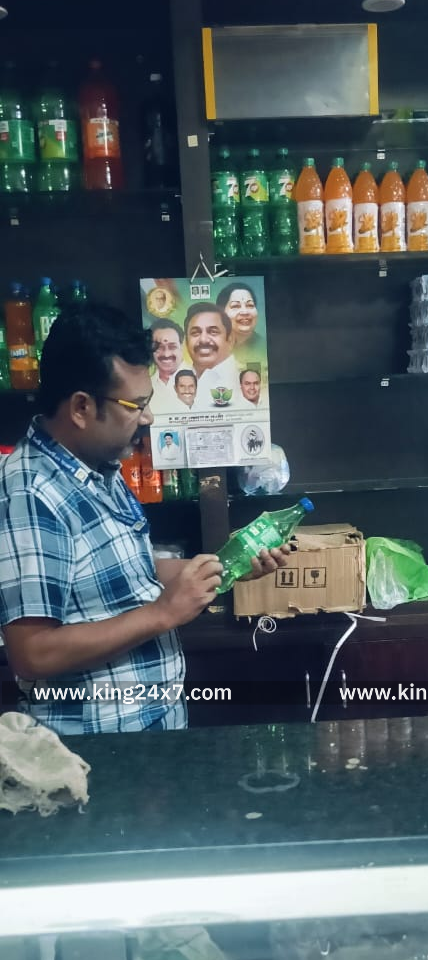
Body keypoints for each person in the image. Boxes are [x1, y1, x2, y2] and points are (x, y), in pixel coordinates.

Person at [0, 304, 290, 735]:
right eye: (135, 406)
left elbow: (127, 572)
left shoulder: (97, 466)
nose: (148, 418)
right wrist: (163, 613)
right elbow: (33, 652)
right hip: (98, 746)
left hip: (153, 724)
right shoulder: (30, 492)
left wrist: (225, 565)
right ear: (81, 407)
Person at [184, 303, 245, 408]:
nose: (203, 339)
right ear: (186, 342)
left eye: (213, 332)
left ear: (230, 340)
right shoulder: (174, 380)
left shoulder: (245, 382)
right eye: (195, 333)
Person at [216, 282, 266, 367]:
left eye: (250, 305)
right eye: (235, 306)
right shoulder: (212, 347)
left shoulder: (264, 347)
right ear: (221, 313)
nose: (245, 312)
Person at [149, 319, 188, 415]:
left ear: (182, 347)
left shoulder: (201, 379)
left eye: (172, 347)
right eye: (159, 347)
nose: (166, 354)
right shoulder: (146, 386)